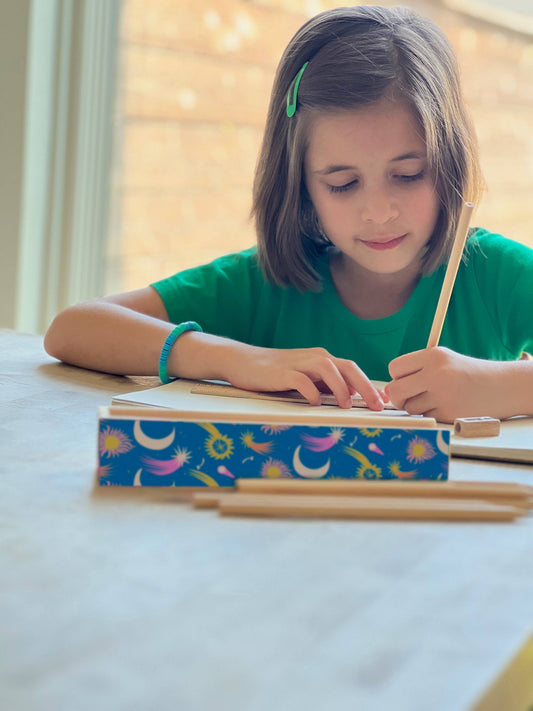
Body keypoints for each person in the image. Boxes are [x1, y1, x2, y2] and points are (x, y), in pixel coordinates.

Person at [44, 5, 533, 423]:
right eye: (342, 184)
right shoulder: (266, 285)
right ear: (300, 186)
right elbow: (74, 328)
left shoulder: (498, 275)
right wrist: (235, 360)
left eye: (408, 175)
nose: (380, 212)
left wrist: (505, 387)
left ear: (448, 163)